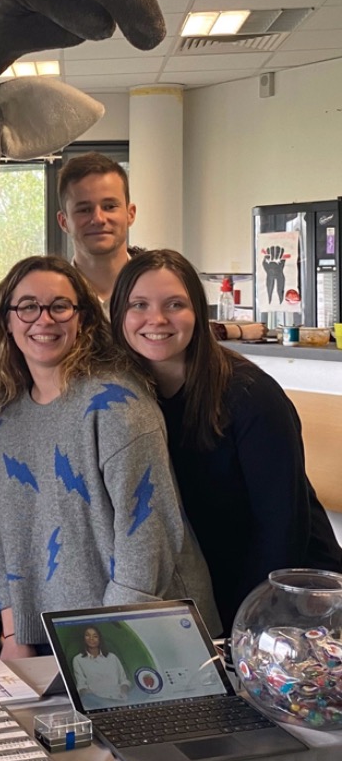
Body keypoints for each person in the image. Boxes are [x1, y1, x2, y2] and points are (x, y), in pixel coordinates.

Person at [0, 255, 217, 658]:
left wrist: (104, 644)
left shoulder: (116, 403)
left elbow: (147, 537)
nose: (44, 320)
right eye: (28, 307)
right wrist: (14, 634)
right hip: (54, 640)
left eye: (60, 306)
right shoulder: (4, 417)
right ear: (7, 321)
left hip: (143, 635)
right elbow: (1, 528)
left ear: (83, 319)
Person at [110, 249, 342, 632]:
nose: (157, 319)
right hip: (206, 588)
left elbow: (282, 527)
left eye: (175, 304)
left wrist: (247, 621)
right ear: (119, 314)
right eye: (139, 305)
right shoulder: (124, 398)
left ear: (198, 314)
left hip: (291, 597)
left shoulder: (250, 395)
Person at [56, 153, 140, 313]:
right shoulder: (50, 299)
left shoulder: (162, 290)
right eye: (84, 210)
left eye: (110, 207)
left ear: (130, 214)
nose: (98, 219)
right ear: (63, 221)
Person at [72, 625, 130, 705]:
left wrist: (123, 693)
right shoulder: (78, 659)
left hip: (118, 698)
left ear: (100, 639)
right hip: (96, 701)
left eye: (95, 636)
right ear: (83, 638)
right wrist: (93, 698)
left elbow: (124, 681)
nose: (91, 638)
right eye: (87, 635)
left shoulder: (112, 657)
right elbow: (81, 686)